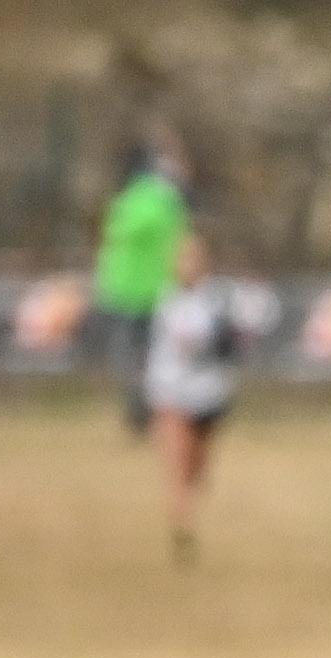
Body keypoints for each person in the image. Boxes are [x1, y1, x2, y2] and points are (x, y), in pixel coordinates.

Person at [141, 233, 241, 564]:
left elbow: (230, 343)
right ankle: (182, 525)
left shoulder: (217, 299)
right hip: (171, 392)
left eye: (194, 258)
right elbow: (185, 341)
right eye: (183, 258)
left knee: (199, 467)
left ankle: (186, 509)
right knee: (178, 464)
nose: (188, 265)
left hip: (208, 393)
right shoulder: (167, 300)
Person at [93, 137, 189, 436]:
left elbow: (115, 239)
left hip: (126, 291)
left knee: (130, 358)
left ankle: (141, 413)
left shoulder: (129, 201)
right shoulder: (170, 201)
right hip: (160, 290)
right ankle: (154, 410)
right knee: (155, 358)